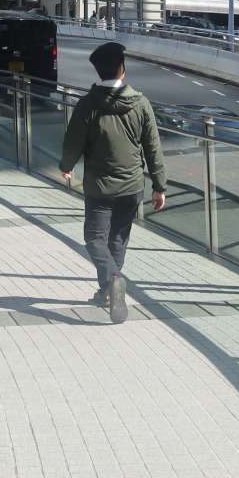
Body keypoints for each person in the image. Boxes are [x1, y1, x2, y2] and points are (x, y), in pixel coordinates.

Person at [60, 42, 166, 322]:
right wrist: (159, 185)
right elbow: (152, 147)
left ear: (97, 70)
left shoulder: (87, 104)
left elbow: (74, 141)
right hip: (132, 187)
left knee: (95, 238)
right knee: (117, 238)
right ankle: (108, 290)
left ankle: (111, 280)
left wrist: (67, 166)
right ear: (122, 69)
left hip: (99, 187)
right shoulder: (140, 103)